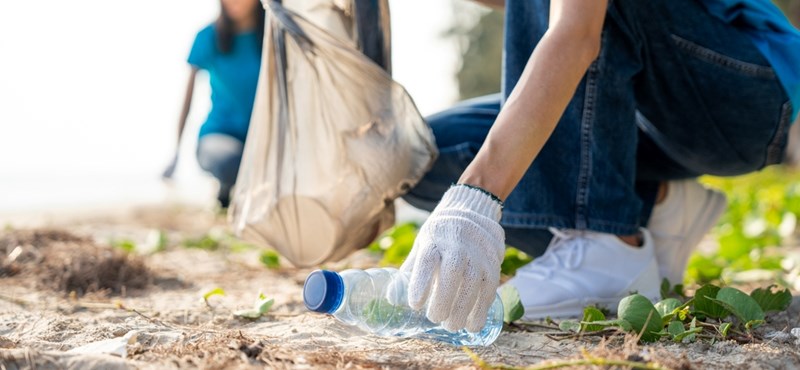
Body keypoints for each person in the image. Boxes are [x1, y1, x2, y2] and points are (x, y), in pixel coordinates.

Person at [401, 0, 800, 333]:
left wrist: (477, 194)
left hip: (747, 93)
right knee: (418, 155)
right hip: (650, 109)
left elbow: (578, 32)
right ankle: (659, 207)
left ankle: (604, 242)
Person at [166, 0, 265, 208]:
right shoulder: (207, 36)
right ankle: (227, 189)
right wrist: (176, 153)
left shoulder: (274, 37)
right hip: (220, 135)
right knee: (230, 161)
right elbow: (188, 98)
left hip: (265, 137)